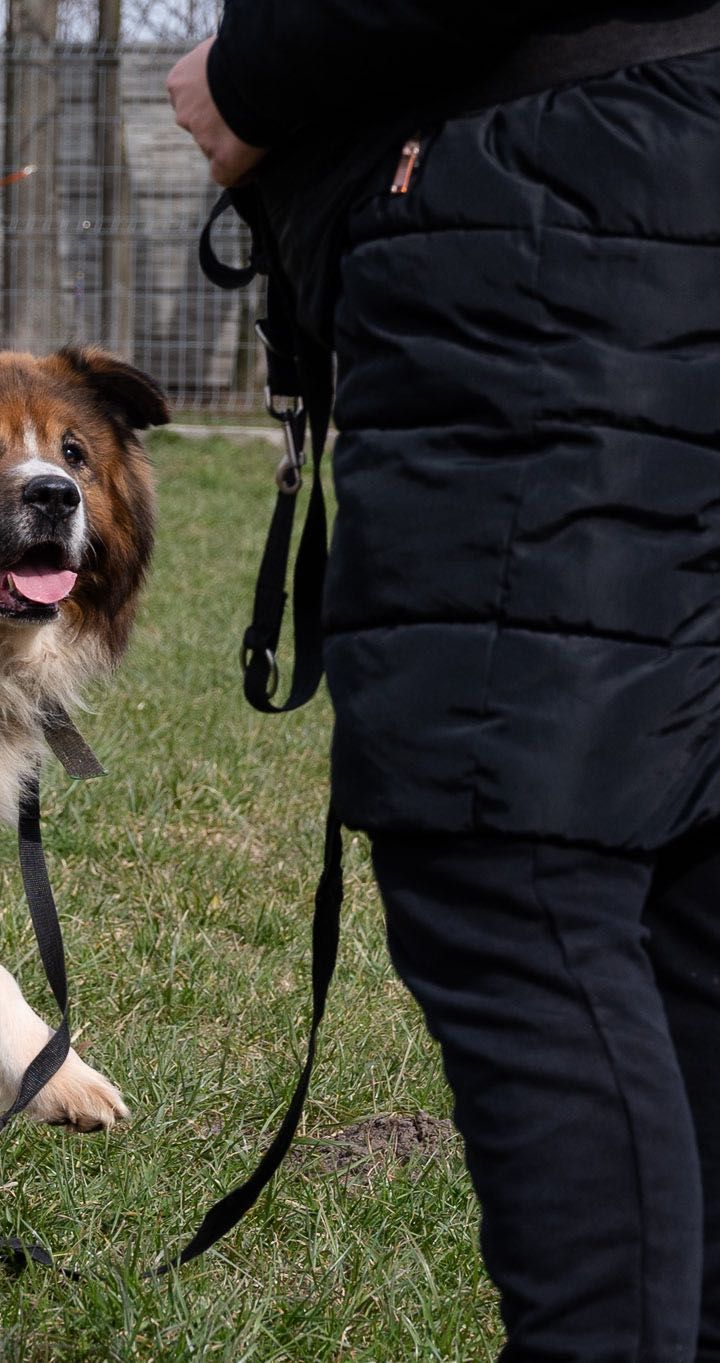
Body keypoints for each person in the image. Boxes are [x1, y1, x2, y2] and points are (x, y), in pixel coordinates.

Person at [166, 6, 720, 1361]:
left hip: (561, 237)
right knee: (684, 881)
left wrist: (251, 76)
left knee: (517, 863)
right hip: (641, 193)